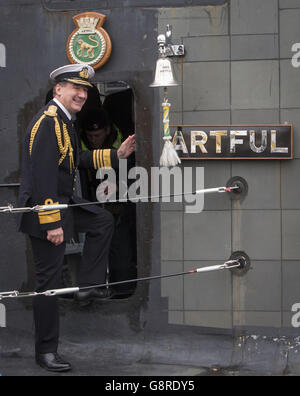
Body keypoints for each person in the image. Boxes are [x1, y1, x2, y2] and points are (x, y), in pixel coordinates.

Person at [18, 64, 135, 373]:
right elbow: (43, 176)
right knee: (49, 284)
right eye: (75, 88)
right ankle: (45, 352)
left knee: (101, 221)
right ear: (59, 89)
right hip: (46, 212)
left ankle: (89, 284)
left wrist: (115, 155)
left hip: (63, 205)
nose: (82, 94)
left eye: (85, 90)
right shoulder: (48, 123)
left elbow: (77, 158)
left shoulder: (64, 120)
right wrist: (52, 223)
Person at [80, 108, 137, 297]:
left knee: (121, 250)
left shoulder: (124, 143)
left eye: (97, 135)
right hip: (86, 202)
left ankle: (122, 291)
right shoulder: (80, 143)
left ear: (107, 130)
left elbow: (135, 172)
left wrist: (118, 186)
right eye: (90, 135)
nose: (93, 140)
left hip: (120, 202)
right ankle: (90, 289)